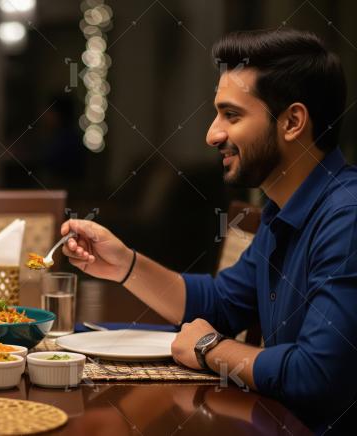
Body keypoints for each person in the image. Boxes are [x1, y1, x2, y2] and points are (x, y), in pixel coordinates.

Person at [62, 29, 355, 434]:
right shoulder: (283, 209)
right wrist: (125, 265)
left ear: (292, 122)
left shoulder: (347, 218)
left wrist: (209, 349)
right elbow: (218, 305)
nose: (212, 134)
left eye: (231, 115)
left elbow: (316, 374)